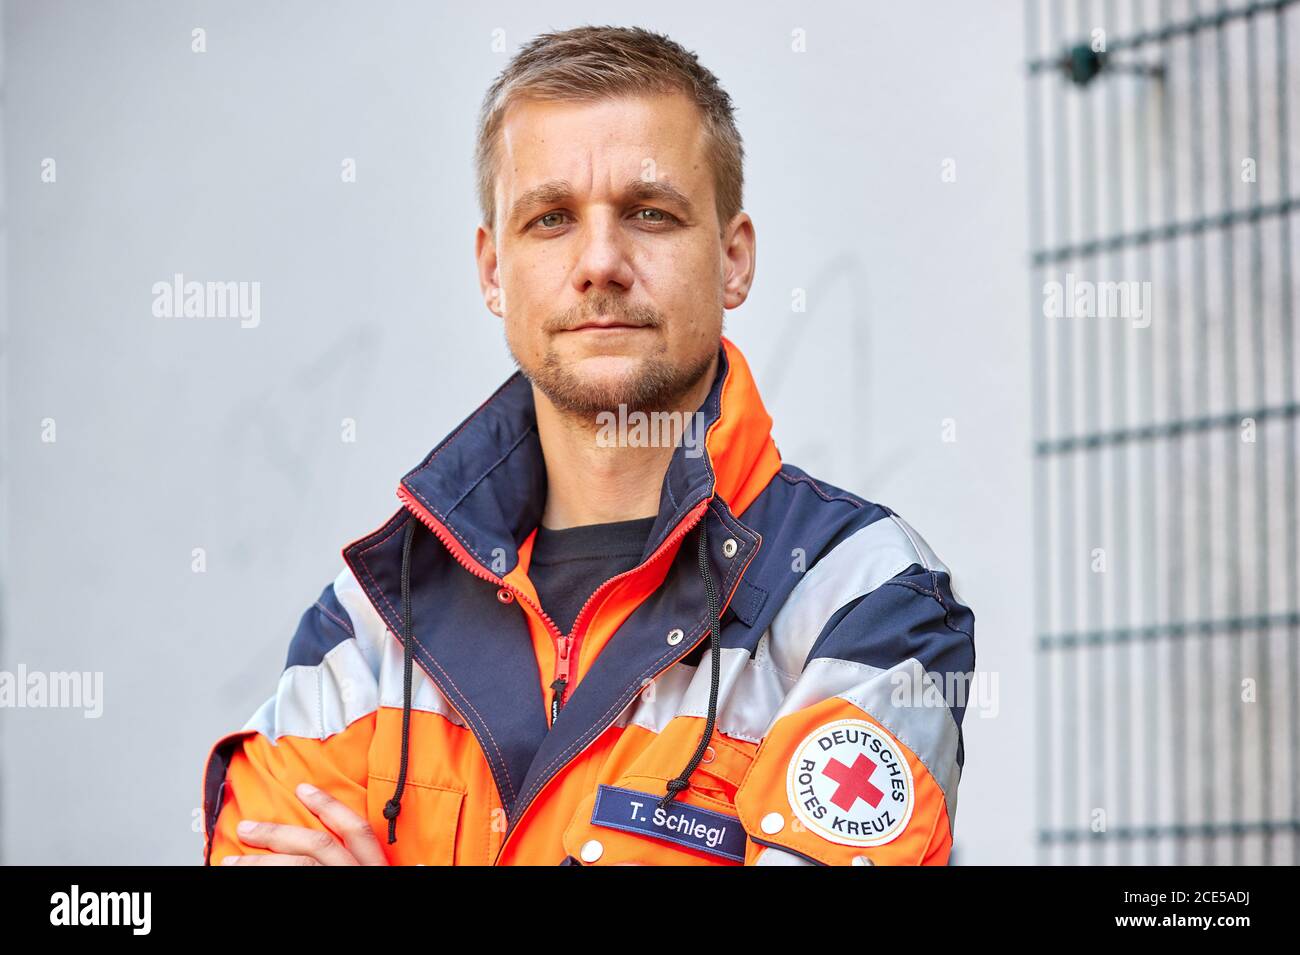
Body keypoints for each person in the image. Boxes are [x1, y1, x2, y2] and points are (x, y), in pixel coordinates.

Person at [202, 23, 975, 867]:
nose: (600, 261)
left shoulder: (859, 597)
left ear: (734, 260)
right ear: (494, 271)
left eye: (650, 213)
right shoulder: (377, 614)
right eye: (551, 218)